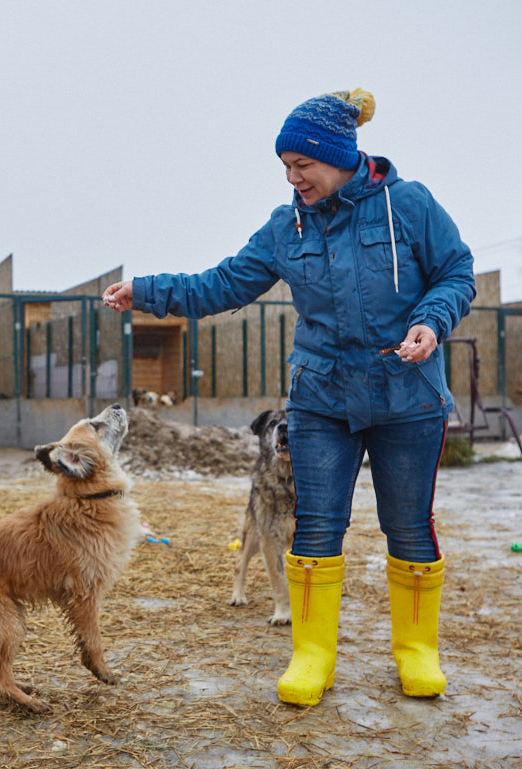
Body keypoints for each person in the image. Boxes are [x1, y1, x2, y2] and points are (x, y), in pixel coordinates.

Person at [102, 89, 474, 706]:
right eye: (285, 167)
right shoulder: (288, 225)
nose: (292, 177)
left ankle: (416, 652)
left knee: (407, 525)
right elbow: (223, 282)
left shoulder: (407, 205)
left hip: (407, 394)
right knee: (316, 524)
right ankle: (312, 655)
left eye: (303, 165)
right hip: (322, 398)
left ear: (340, 156)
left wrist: (431, 321)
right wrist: (148, 290)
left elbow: (456, 271)